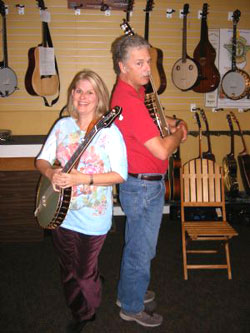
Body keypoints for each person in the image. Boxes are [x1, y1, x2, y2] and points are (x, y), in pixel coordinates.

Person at [35, 69, 127, 333]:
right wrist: (51, 172)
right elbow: (41, 159)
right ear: (71, 94)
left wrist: (82, 179)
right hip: (61, 212)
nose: (83, 96)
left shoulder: (109, 133)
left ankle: (91, 302)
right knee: (67, 268)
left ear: (99, 96)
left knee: (83, 272)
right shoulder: (62, 125)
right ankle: (82, 311)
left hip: (93, 217)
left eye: (89, 91)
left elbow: (119, 176)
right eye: (78, 90)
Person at [110, 34, 188, 327]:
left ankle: (129, 291)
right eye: (139, 63)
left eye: (149, 62)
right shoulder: (129, 99)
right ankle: (130, 306)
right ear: (122, 66)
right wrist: (180, 133)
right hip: (144, 186)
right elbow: (161, 148)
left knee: (139, 247)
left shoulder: (133, 93)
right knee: (141, 251)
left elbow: (149, 124)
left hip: (141, 184)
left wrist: (168, 124)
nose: (147, 69)